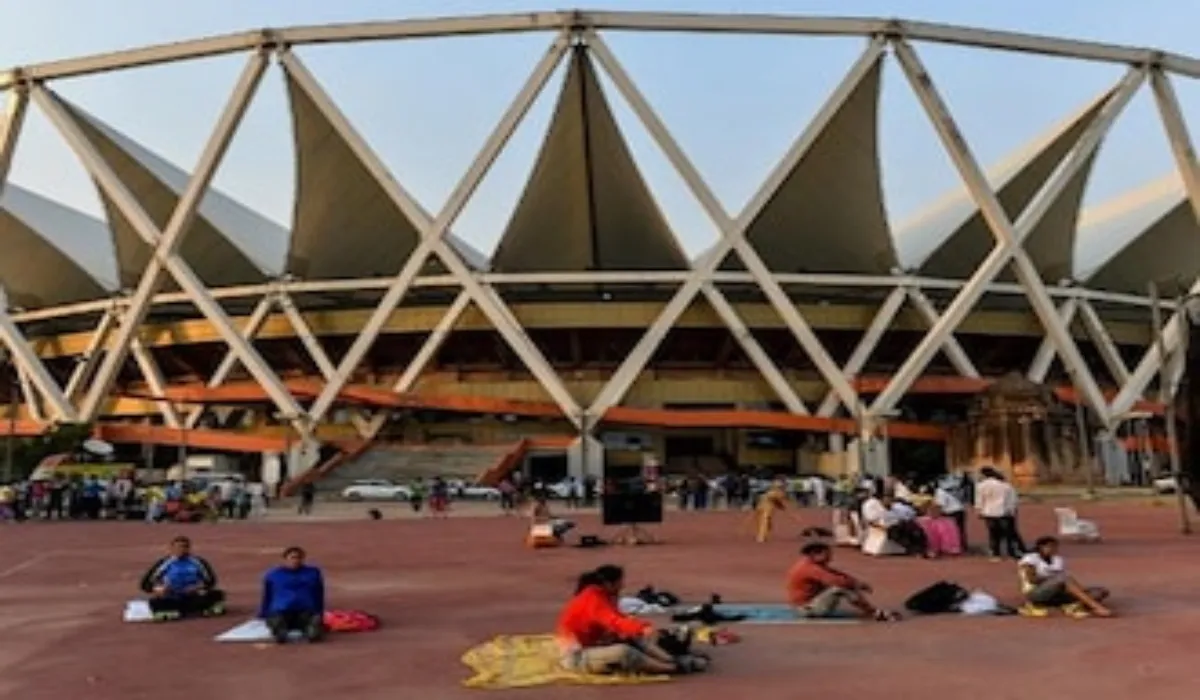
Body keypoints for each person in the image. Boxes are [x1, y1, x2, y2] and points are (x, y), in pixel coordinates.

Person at [556, 564, 706, 675]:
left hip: (591, 645)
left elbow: (620, 622)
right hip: (575, 657)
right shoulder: (592, 599)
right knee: (624, 652)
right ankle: (672, 668)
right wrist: (642, 628)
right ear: (609, 584)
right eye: (620, 583)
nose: (622, 587)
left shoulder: (602, 597)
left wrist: (638, 630)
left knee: (631, 637)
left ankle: (671, 659)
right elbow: (614, 621)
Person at [786, 542, 899, 621]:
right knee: (840, 588)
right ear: (815, 554)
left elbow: (836, 573)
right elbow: (835, 581)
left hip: (811, 601)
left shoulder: (813, 564)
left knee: (844, 583)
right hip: (806, 608)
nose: (830, 558)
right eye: (827, 555)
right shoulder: (809, 568)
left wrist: (856, 581)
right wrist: (856, 584)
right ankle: (873, 613)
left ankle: (871, 611)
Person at [1017, 536, 1112, 618]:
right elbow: (1032, 579)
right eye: (1050, 546)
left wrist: (1080, 590)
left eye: (1055, 546)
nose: (1053, 549)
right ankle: (1096, 607)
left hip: (1058, 593)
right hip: (1036, 592)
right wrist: (1054, 580)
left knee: (1100, 591)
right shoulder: (1030, 559)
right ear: (1041, 547)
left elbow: (1065, 581)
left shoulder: (1058, 559)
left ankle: (1071, 604)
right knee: (1063, 578)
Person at [139, 536, 225, 620]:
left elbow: (211, 581)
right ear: (172, 548)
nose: (181, 550)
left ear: (189, 548)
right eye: (178, 547)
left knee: (217, 594)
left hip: (193, 595)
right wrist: (158, 589)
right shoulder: (164, 563)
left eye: (184, 547)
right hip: (173, 595)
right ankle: (173, 611)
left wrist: (198, 587)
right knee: (156, 602)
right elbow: (145, 584)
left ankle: (198, 608)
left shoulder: (198, 562)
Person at [259, 546, 327, 643]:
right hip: (282, 612)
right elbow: (267, 595)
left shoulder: (313, 573)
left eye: (298, 558)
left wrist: (319, 613)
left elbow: (319, 593)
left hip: (304, 612)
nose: (295, 561)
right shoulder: (273, 575)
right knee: (277, 621)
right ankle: (280, 631)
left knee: (313, 628)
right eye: (292, 557)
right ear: (285, 559)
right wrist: (263, 613)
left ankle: (311, 629)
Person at [975, 467, 1025, 560]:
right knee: (1009, 533)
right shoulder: (1005, 485)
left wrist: (979, 510)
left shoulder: (981, 485)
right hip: (1004, 512)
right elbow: (1013, 499)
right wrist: (1012, 511)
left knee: (993, 534)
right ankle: (1013, 551)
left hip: (989, 512)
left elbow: (979, 499)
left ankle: (995, 553)